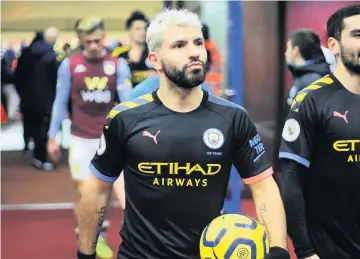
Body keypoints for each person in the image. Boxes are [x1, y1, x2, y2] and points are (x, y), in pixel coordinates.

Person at [77, 9, 291, 259]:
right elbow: (98, 188)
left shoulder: (232, 118)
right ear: (155, 60)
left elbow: (264, 186)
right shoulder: (125, 118)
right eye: (179, 45)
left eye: (198, 43)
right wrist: (86, 254)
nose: (194, 52)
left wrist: (279, 250)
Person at [279, 5, 360, 259]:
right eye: (358, 35)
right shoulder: (310, 100)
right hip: (328, 249)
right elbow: (291, 179)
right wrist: (305, 251)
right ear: (334, 46)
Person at [47, 17, 132, 259]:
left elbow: (126, 105)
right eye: (88, 41)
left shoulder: (117, 65)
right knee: (87, 194)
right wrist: (52, 137)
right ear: (81, 40)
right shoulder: (69, 66)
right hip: (80, 140)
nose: (93, 45)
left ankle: (100, 236)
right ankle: (88, 237)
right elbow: (60, 101)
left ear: (104, 36)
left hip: (110, 140)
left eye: (97, 40)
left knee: (121, 195)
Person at [14, 27, 59, 169]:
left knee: (30, 124)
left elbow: (17, 77)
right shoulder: (51, 54)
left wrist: (22, 92)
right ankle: (43, 156)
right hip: (46, 98)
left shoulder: (25, 54)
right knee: (44, 127)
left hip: (28, 96)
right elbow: (55, 79)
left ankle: (30, 147)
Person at [285, 28, 331, 111]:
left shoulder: (312, 80)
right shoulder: (304, 75)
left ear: (295, 51)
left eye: (288, 48)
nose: (285, 53)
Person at [112, 11, 155, 87]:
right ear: (130, 30)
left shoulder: (153, 52)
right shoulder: (119, 53)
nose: (142, 32)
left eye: (144, 29)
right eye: (138, 29)